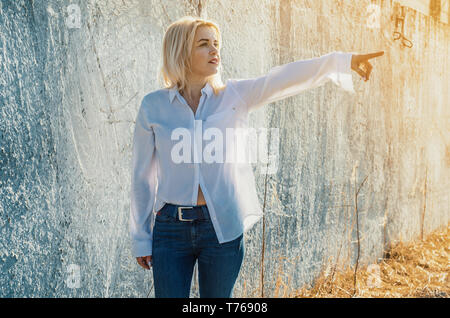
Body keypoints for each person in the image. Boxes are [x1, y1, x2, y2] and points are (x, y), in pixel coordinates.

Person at [129, 15, 384, 298]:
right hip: (169, 230)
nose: (215, 50)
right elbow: (142, 177)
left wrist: (342, 60)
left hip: (221, 228)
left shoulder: (234, 95)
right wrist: (141, 238)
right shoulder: (153, 106)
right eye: (204, 44)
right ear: (180, 52)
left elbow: (283, 79)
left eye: (216, 44)